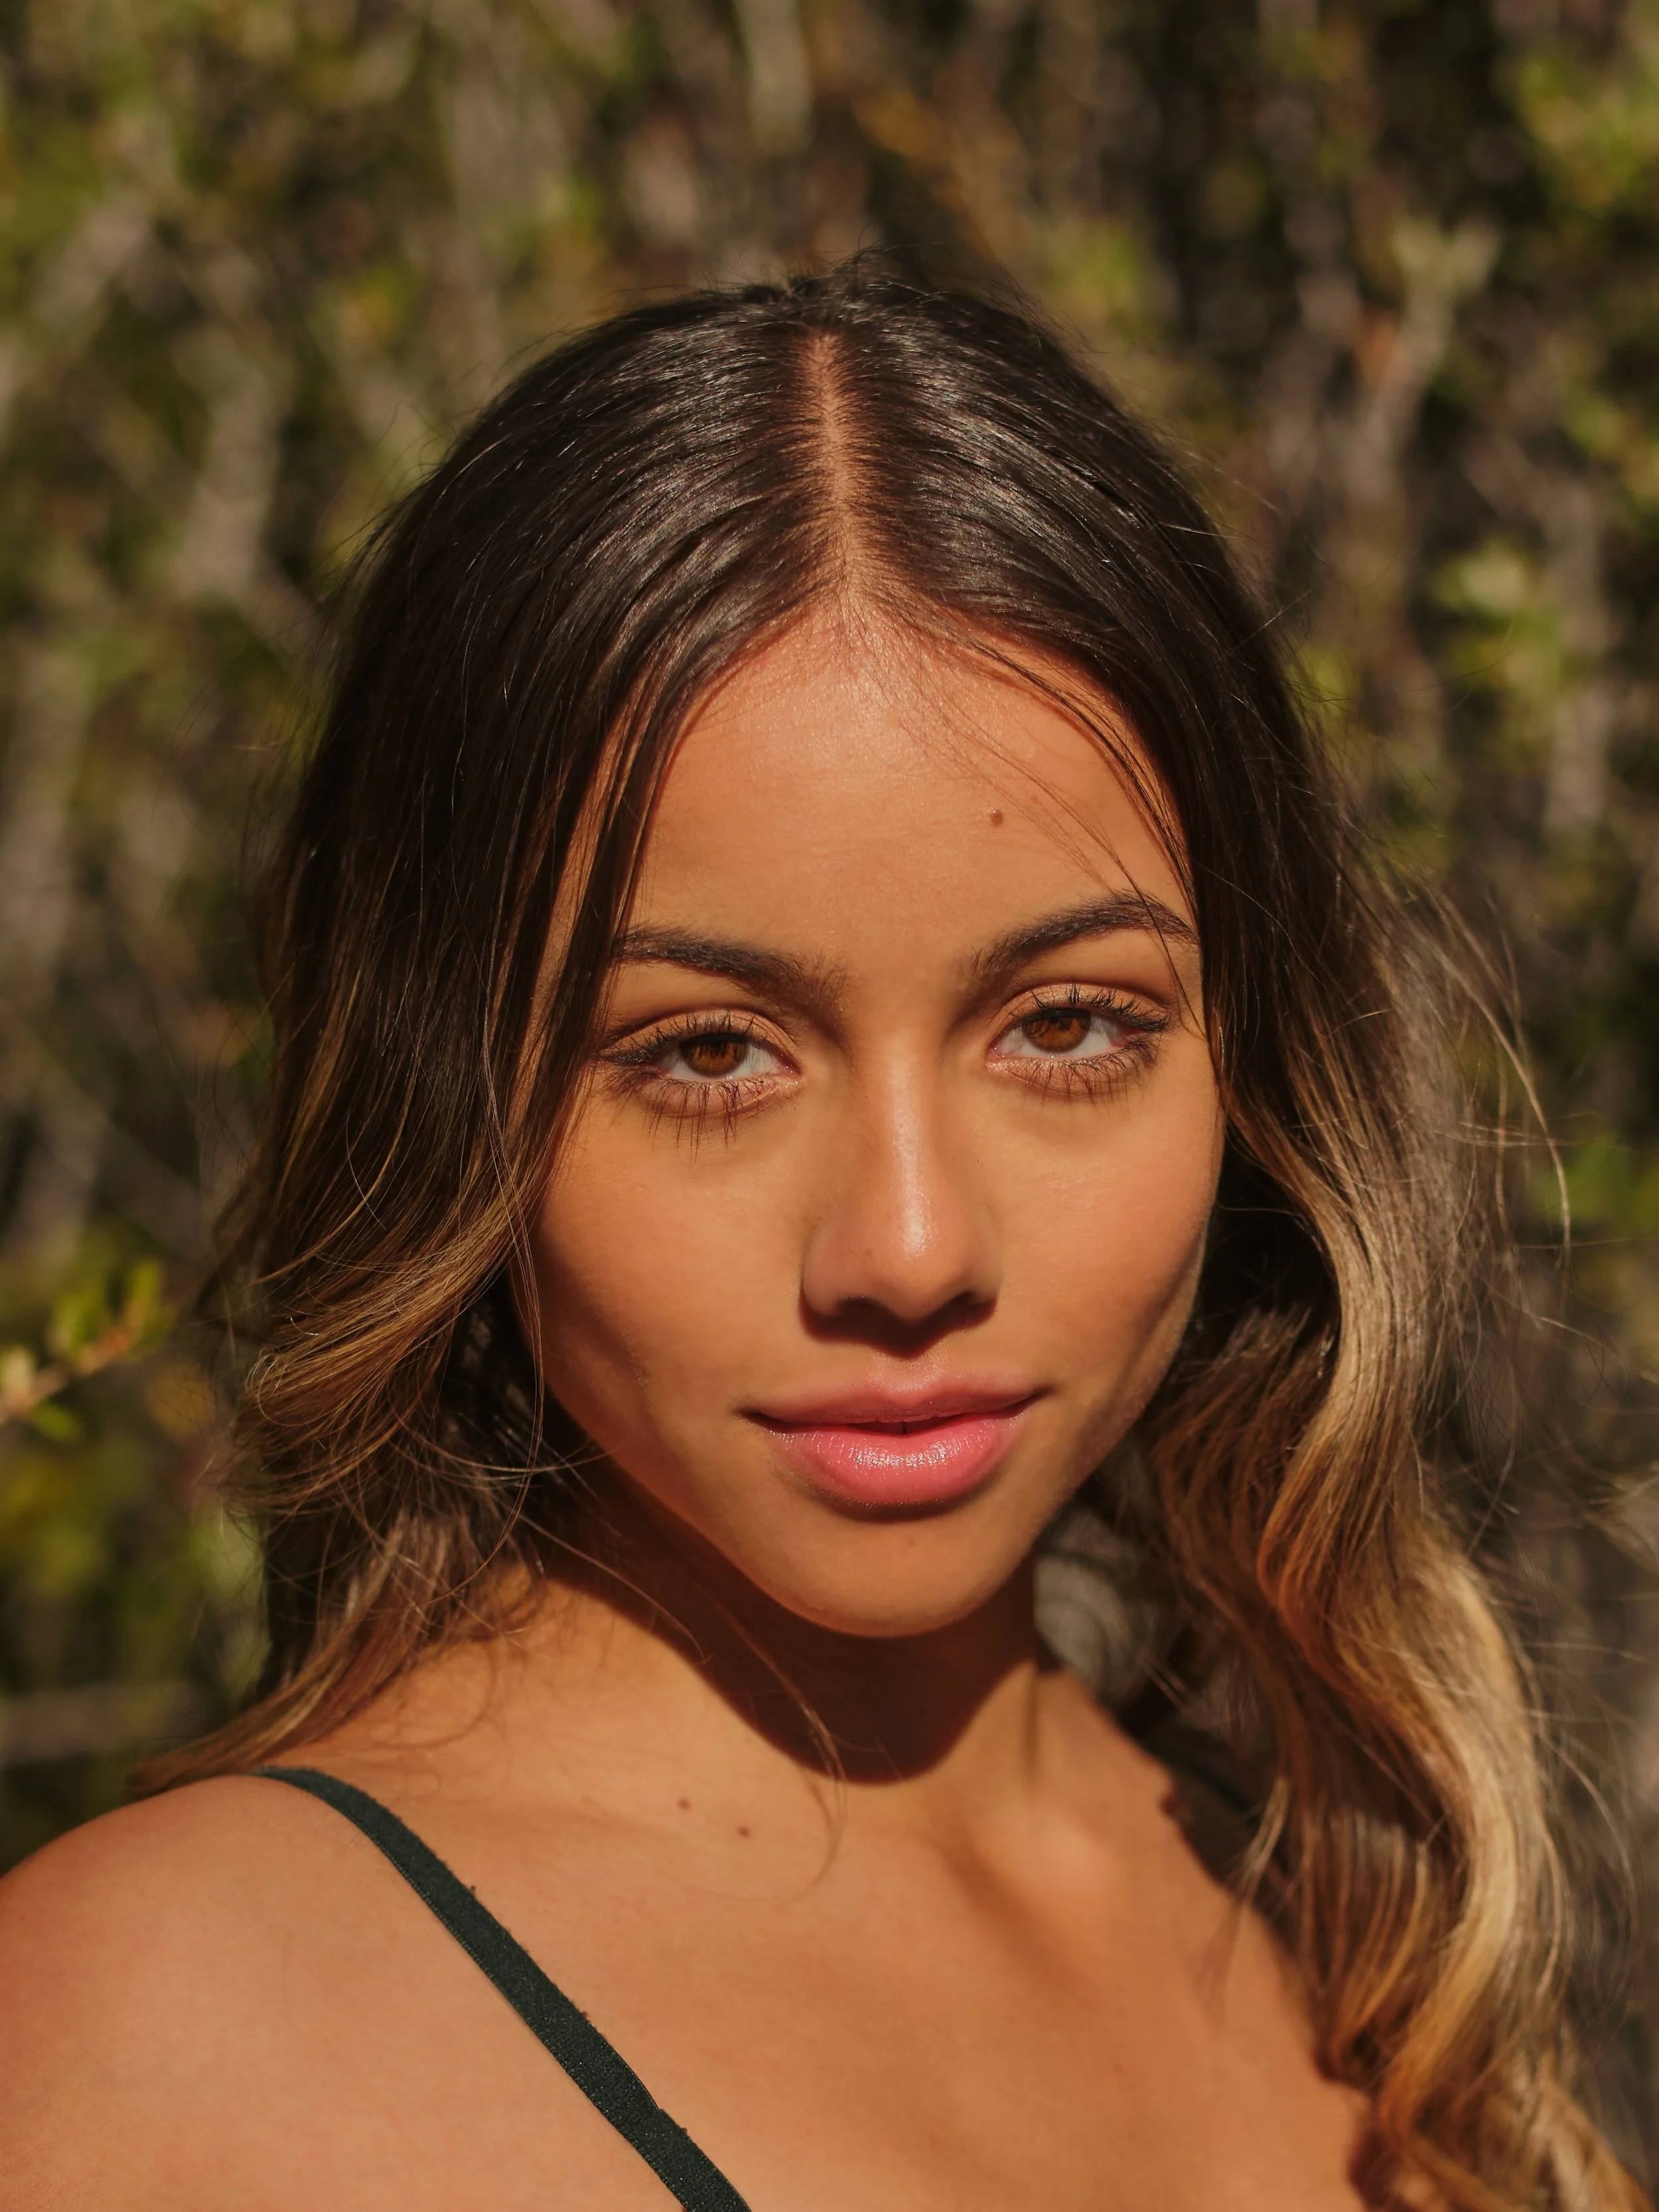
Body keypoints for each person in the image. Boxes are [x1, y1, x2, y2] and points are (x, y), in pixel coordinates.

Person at [0, 266, 1642, 2212]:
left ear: (1248, 1068)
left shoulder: (1365, 1925)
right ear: (452, 1105)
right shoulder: (140, 2041)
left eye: (1067, 1027)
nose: (910, 1241)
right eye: (707, 1052)